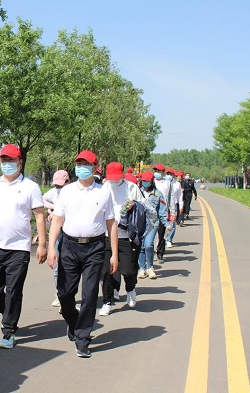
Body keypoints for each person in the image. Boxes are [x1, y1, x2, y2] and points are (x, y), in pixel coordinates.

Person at [0, 144, 47, 349]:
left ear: (20, 162)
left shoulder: (31, 187)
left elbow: (39, 216)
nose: (7, 164)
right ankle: (8, 311)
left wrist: (42, 244)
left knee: (14, 290)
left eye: (11, 160)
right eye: (4, 160)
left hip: (19, 248)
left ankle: (8, 330)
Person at [47, 149, 118, 358]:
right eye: (79, 164)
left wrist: (114, 253)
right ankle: (73, 321)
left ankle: (83, 339)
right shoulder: (67, 191)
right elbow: (57, 221)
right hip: (69, 246)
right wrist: (51, 248)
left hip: (94, 248)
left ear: (95, 167)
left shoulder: (104, 192)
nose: (81, 167)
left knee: (89, 295)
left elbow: (111, 223)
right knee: (64, 294)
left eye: (86, 164)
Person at [98, 162, 145, 317]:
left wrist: (134, 206)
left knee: (128, 270)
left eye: (116, 177)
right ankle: (107, 302)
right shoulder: (103, 188)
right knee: (106, 271)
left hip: (126, 236)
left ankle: (130, 289)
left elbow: (144, 207)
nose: (113, 180)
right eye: (110, 177)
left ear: (122, 174)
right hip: (107, 235)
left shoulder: (131, 188)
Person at [40, 169, 71, 307]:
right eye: (56, 185)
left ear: (68, 182)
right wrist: (55, 208)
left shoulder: (73, 192)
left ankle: (69, 293)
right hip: (58, 231)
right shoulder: (54, 192)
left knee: (71, 265)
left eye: (61, 185)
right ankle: (59, 294)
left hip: (71, 232)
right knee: (58, 264)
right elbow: (41, 200)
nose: (58, 188)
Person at [137, 171, 171, 279]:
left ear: (152, 181)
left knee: (148, 244)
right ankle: (142, 268)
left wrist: (166, 223)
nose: (145, 183)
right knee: (141, 246)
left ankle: (150, 267)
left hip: (153, 223)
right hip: (140, 223)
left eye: (147, 181)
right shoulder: (138, 192)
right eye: (143, 181)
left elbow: (162, 211)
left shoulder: (158, 194)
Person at [152, 163, 176, 264]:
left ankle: (160, 253)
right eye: (155, 171)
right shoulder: (151, 181)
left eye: (158, 171)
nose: (156, 173)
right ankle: (150, 251)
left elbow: (171, 197)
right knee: (150, 233)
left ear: (163, 172)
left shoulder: (168, 183)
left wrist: (173, 211)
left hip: (163, 212)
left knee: (162, 234)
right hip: (152, 212)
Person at [165, 168, 183, 248]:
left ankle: (169, 239)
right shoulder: (163, 183)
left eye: (170, 174)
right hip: (164, 206)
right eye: (167, 174)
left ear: (173, 175)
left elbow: (180, 196)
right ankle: (163, 239)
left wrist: (181, 206)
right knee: (164, 224)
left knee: (172, 223)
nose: (169, 175)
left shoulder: (177, 184)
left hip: (173, 205)